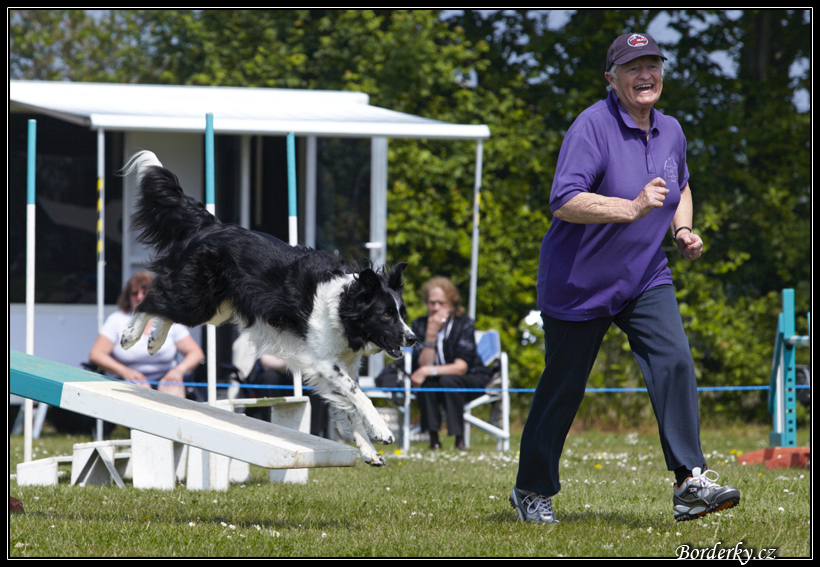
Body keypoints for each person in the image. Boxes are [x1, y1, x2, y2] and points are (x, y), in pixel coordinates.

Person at [510, 33, 741, 524]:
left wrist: (682, 230)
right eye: (632, 67)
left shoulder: (672, 130)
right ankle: (531, 489)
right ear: (611, 79)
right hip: (579, 282)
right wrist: (631, 207)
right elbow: (565, 200)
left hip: (643, 276)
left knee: (674, 359)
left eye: (652, 64)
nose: (645, 75)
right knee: (563, 388)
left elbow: (680, 185)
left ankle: (689, 482)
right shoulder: (591, 127)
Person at [399, 276, 492, 450]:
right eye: (431, 302)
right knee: (428, 383)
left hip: (469, 378)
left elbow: (461, 367)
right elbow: (422, 363)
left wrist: (427, 370)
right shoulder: (419, 325)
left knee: (448, 380)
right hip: (437, 381)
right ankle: (433, 439)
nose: (435, 307)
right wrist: (431, 335)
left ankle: (459, 438)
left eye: (441, 303)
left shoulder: (463, 324)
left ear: (451, 303)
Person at [89, 272, 204, 397]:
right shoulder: (116, 320)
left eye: (145, 292)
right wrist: (124, 371)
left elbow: (196, 353)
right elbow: (96, 354)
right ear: (128, 297)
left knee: (173, 391)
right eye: (134, 293)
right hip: (127, 382)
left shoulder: (169, 319)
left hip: (165, 381)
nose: (139, 297)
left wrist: (178, 371)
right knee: (139, 392)